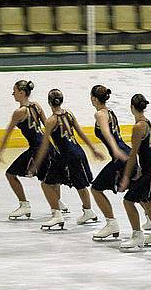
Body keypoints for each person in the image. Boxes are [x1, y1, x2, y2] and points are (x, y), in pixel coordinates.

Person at [0, 80, 67, 219]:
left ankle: (24, 205)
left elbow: (7, 134)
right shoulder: (37, 106)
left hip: (36, 148)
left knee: (10, 174)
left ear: (21, 93)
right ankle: (58, 202)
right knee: (50, 177)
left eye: (14, 91)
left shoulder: (19, 112)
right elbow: (48, 126)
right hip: (47, 145)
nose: (13, 94)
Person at [31, 89, 103, 229]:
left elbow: (44, 145)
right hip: (78, 152)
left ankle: (56, 215)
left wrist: (37, 163)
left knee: (46, 184)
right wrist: (93, 148)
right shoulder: (69, 114)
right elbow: (80, 133)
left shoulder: (51, 121)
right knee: (81, 185)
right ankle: (88, 211)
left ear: (49, 102)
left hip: (65, 156)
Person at [118, 94, 151, 251]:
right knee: (146, 201)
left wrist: (126, 177)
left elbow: (133, 154)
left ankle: (137, 236)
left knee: (128, 201)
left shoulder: (138, 127)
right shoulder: (147, 122)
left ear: (131, 107)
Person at [87, 85, 130, 240]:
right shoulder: (110, 112)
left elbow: (106, 132)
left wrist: (115, 150)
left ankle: (111, 223)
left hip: (120, 156)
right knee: (136, 189)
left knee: (96, 189)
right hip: (127, 152)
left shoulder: (100, 114)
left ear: (93, 98)